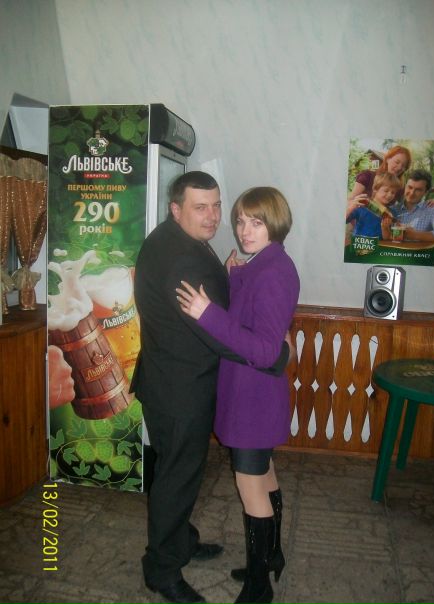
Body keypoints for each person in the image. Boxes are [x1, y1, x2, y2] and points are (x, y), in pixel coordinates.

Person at [131, 172, 291, 604]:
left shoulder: (177, 239)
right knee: (176, 480)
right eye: (200, 207)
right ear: (176, 208)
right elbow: (214, 332)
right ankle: (162, 570)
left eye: (217, 205)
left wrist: (227, 275)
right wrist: (276, 355)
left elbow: (214, 302)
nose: (213, 216)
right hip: (180, 390)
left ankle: (181, 541)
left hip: (172, 381)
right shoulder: (180, 259)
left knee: (177, 473)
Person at [176, 186, 300, 604]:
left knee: (250, 488)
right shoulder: (265, 263)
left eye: (256, 222)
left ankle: (259, 586)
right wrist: (235, 274)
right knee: (264, 475)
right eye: (241, 221)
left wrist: (207, 313)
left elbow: (264, 349)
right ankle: (272, 555)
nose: (245, 230)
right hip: (253, 394)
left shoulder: (273, 272)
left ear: (275, 223)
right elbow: (253, 315)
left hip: (253, 398)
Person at [390, 169, 434, 242]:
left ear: (426, 192)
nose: (412, 193)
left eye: (418, 190)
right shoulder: (392, 210)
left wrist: (414, 235)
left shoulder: (433, 211)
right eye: (410, 187)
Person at [346, 172, 401, 239]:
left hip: (379, 245)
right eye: (386, 191)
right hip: (360, 244)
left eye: (393, 192)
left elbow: (388, 238)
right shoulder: (362, 205)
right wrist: (351, 207)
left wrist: (385, 228)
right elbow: (343, 220)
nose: (390, 195)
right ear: (375, 189)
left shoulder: (392, 213)